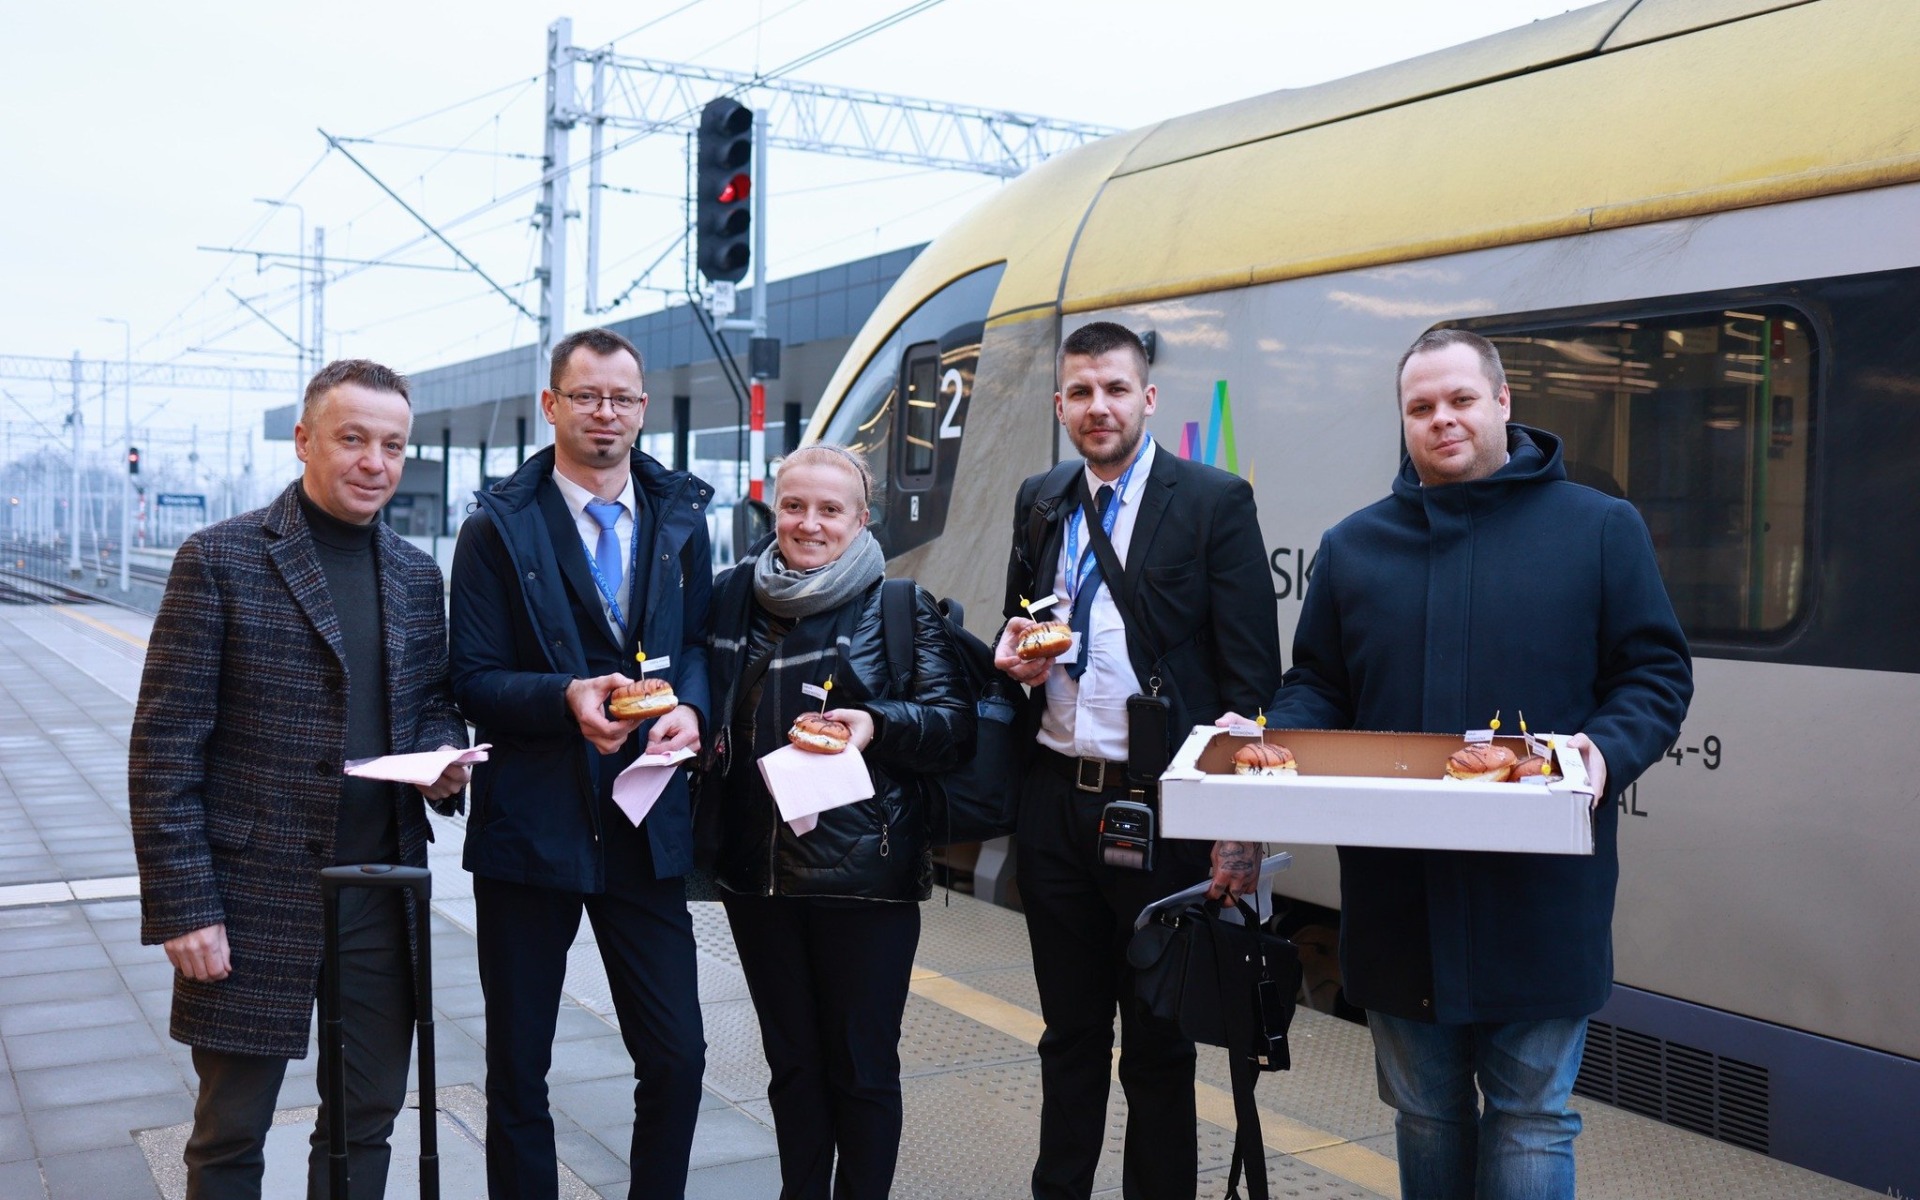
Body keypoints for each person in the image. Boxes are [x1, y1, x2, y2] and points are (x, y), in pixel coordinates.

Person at [1247, 328, 1693, 1199]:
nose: (1441, 420)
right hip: (1398, 894)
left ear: (1503, 403)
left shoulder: (1600, 529)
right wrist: (1274, 741)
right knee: (1425, 1113)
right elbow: (1319, 687)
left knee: (1532, 1115)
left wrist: (1605, 753)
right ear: (1404, 421)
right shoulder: (1353, 547)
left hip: (1541, 892)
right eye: (1421, 407)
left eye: (1459, 400)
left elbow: (1654, 673)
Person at [130, 359, 469, 1199]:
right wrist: (186, 906)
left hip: (381, 890)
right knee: (229, 1133)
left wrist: (443, 762)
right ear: (305, 440)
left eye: (392, 445)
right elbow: (164, 749)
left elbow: (429, 705)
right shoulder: (220, 559)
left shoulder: (417, 574)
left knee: (365, 1122)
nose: (374, 462)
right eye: (353, 439)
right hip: (250, 897)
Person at [993, 321, 1282, 1200]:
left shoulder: (1211, 501)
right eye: (1080, 392)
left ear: (1148, 398)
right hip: (1054, 803)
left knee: (1159, 1045)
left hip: (1161, 813)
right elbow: (1020, 632)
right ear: (1060, 405)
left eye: (1115, 389)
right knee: (1066, 1036)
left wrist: (1238, 831)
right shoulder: (1041, 499)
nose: (1098, 407)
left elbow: (1251, 682)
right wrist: (1013, 664)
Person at [449, 327, 712, 1200]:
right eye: (588, 396)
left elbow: (703, 644)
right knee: (520, 1068)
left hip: (646, 822)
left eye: (623, 398)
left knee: (677, 1057)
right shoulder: (495, 529)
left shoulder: (682, 519)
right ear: (551, 404)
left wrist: (694, 707)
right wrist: (564, 698)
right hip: (532, 828)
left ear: (643, 409)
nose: (607, 412)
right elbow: (474, 679)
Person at [703, 443, 974, 1200]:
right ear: (773, 512)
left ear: (860, 521)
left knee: (860, 1067)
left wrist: (874, 724)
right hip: (759, 876)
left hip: (864, 877)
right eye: (795, 506)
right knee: (791, 1064)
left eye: (830, 511)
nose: (810, 524)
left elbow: (953, 724)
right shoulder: (733, 600)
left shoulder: (898, 605)